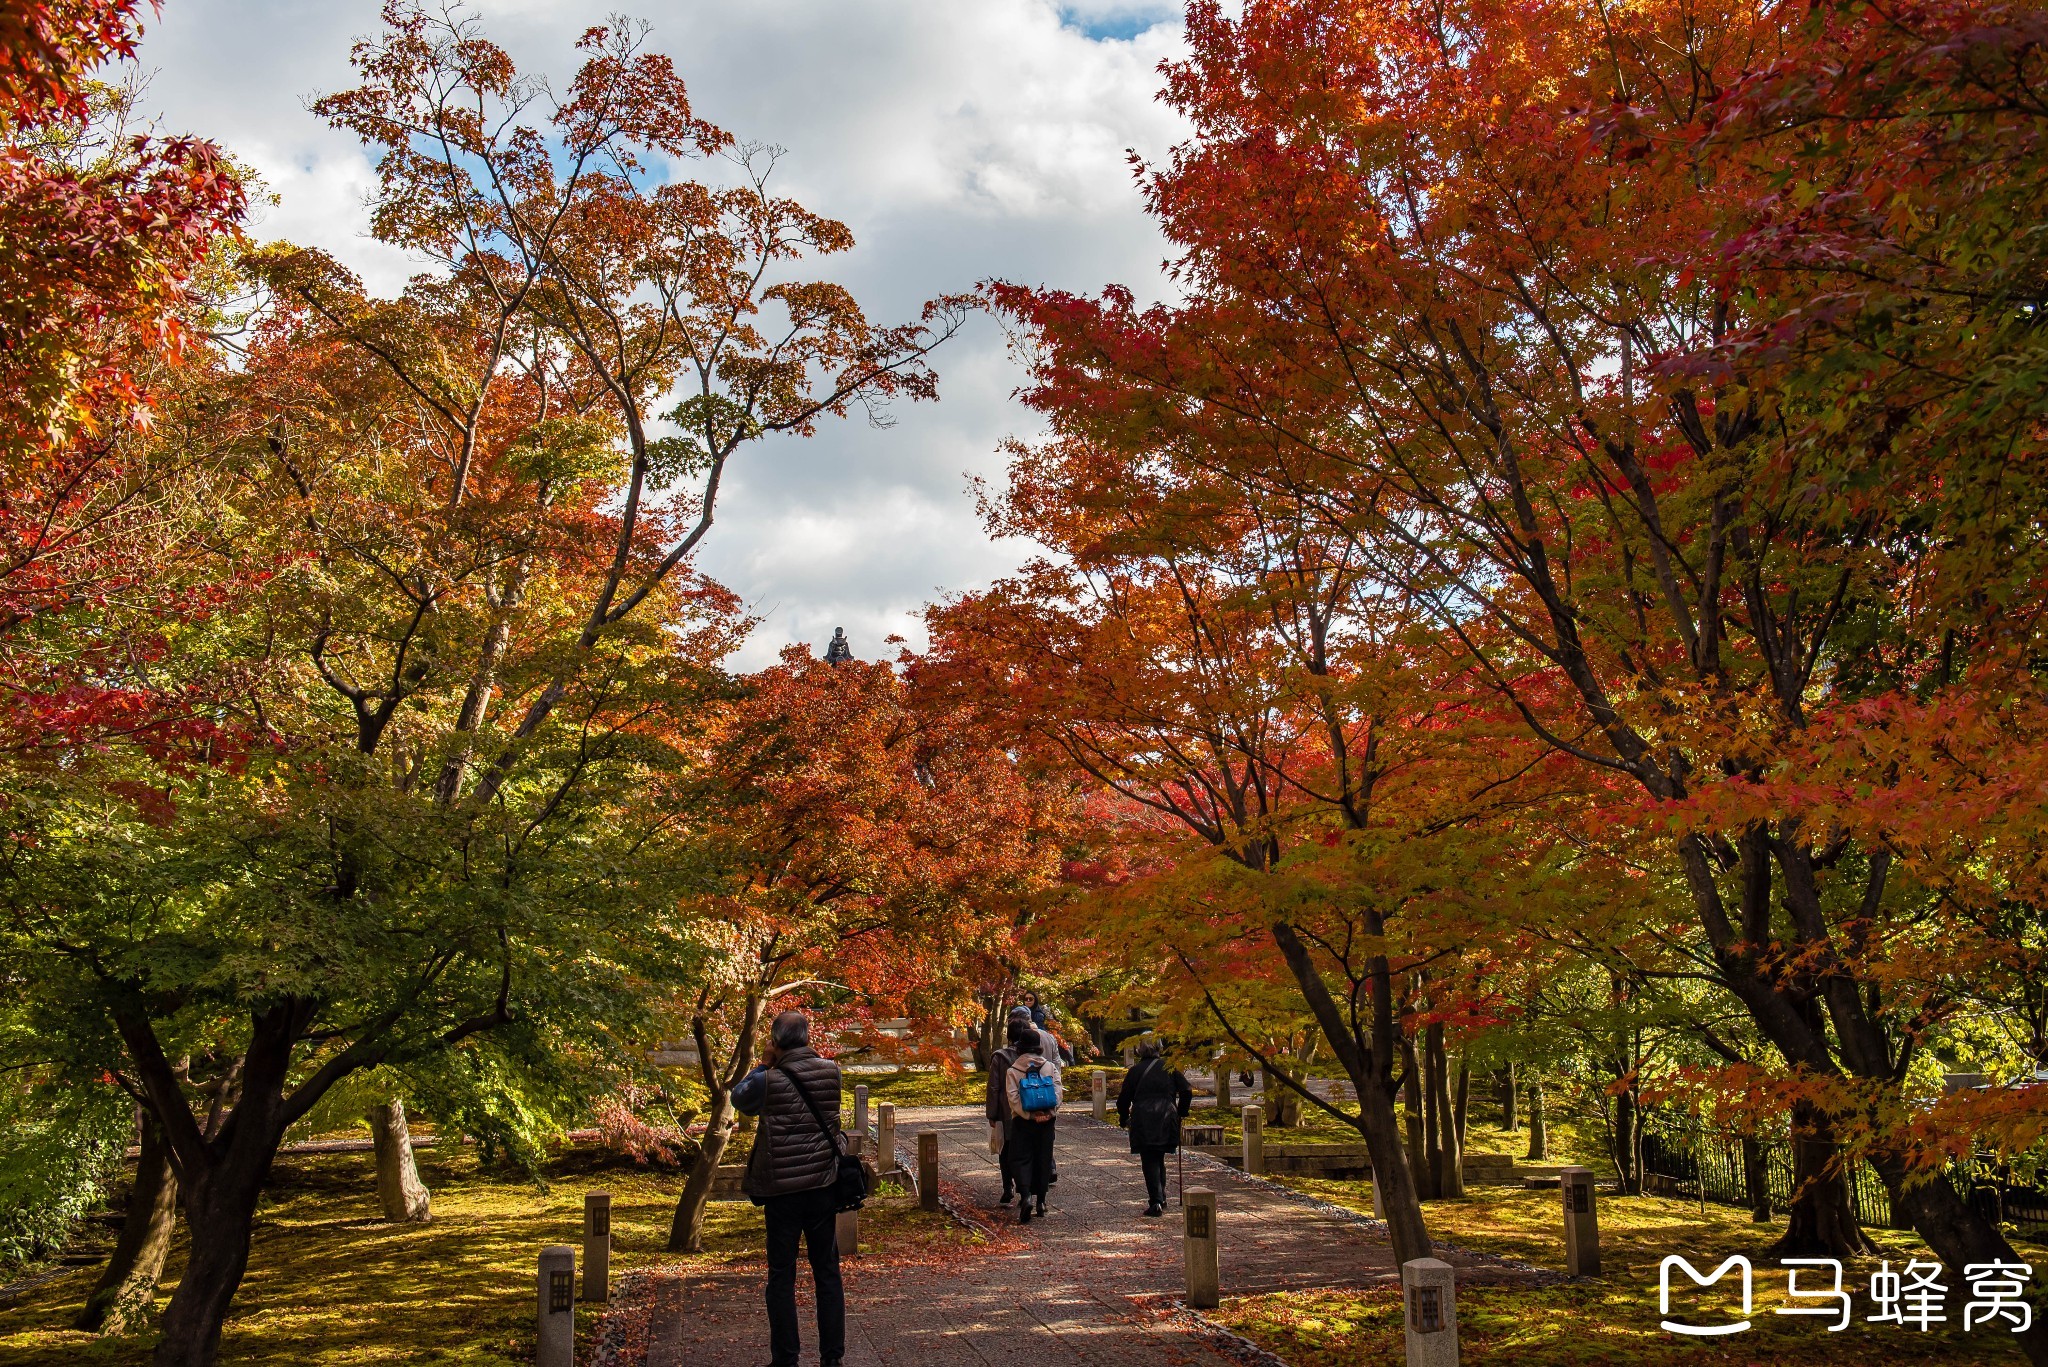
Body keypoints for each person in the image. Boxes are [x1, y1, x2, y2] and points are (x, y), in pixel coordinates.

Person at [733, 1010, 846, 1367]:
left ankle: (786, 1357)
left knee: (781, 1275)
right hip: (822, 1185)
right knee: (827, 1271)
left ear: (777, 1041)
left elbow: (739, 1100)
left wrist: (763, 1065)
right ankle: (832, 1357)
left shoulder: (770, 1079)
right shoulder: (832, 1071)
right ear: (808, 1037)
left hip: (781, 1190)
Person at [1117, 1040, 1194, 1217]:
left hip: (1143, 1117)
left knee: (1150, 1157)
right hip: (1166, 1116)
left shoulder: (1135, 1071)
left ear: (1139, 1050)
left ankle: (1156, 1201)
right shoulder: (1169, 1067)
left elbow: (1123, 1099)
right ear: (1159, 1047)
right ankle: (1161, 1197)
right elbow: (1187, 1090)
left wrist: (1123, 1117)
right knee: (1157, 1156)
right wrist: (1181, 1111)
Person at [1004, 1026, 1062, 1223]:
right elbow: (1057, 1093)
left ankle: (1026, 1195)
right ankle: (1042, 1201)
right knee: (1043, 1157)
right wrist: (1049, 1113)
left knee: (1020, 1158)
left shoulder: (1013, 1070)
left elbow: (1012, 1098)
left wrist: (1028, 1115)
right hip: (1047, 1121)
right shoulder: (1049, 1067)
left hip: (1023, 1122)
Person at [985, 1006, 1034, 1204]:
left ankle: (1008, 1187)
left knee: (1005, 1150)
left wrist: (992, 1114)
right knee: (1026, 1150)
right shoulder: (1032, 1057)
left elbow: (994, 1087)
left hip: (1006, 1110)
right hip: (1029, 1107)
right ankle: (1026, 1190)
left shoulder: (1000, 1057)